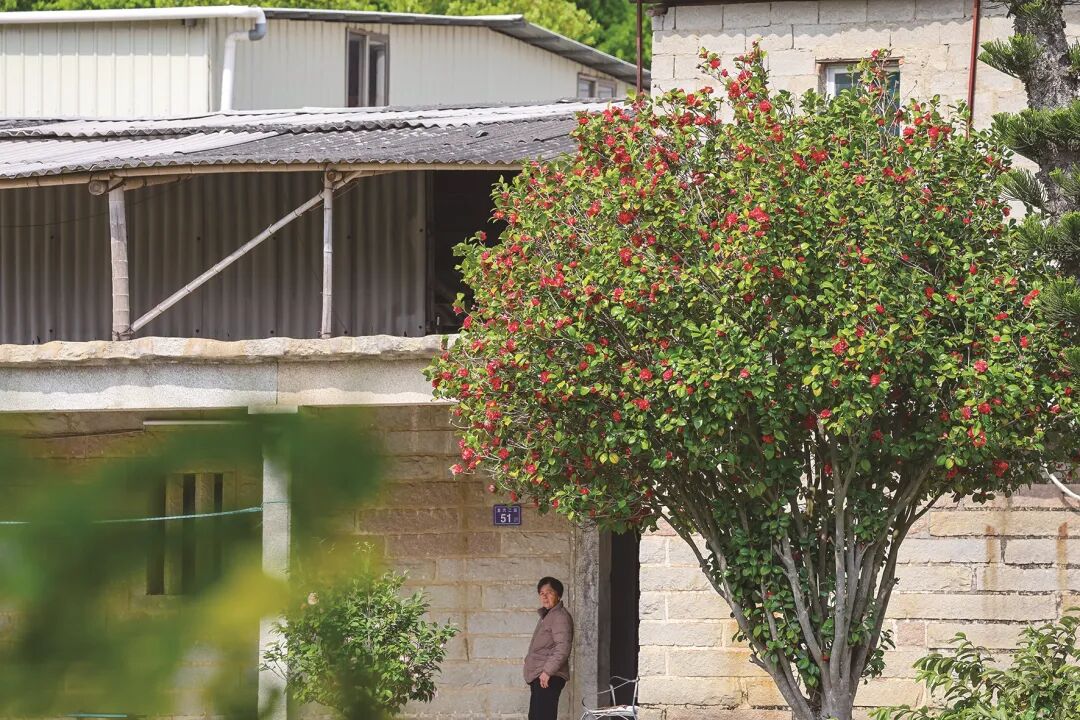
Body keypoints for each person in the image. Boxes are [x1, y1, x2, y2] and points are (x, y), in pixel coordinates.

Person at [523, 576, 574, 720]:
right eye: (541, 593)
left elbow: (563, 647)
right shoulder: (548, 616)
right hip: (541, 675)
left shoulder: (560, 616)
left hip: (548, 676)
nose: (545, 597)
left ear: (558, 595)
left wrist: (547, 671)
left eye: (549, 592)